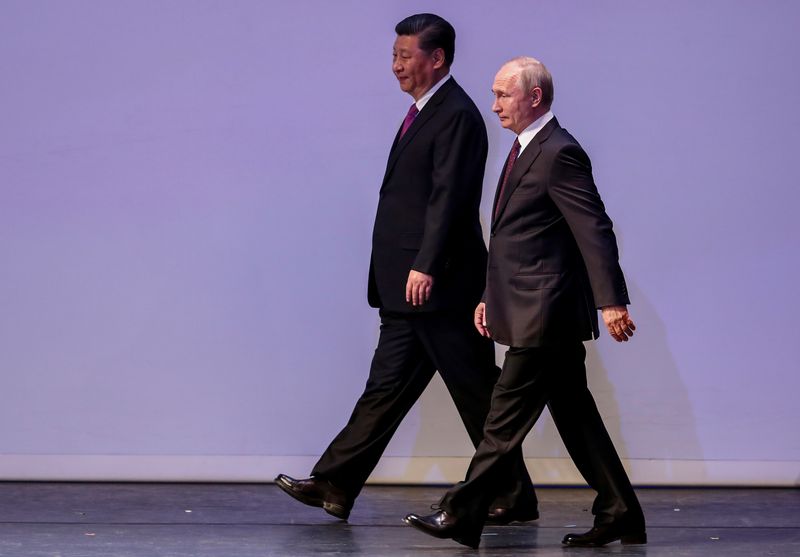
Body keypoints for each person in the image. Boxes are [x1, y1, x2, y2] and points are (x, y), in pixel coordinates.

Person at [274, 15, 537, 524]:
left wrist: (426, 265)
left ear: (436, 58)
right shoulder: (424, 112)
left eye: (405, 56)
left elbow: (451, 200)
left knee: (478, 393)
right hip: (410, 290)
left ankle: (513, 493)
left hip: (441, 286)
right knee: (386, 388)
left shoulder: (456, 114)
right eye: (393, 56)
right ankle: (335, 483)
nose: (396, 65)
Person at [403, 56, 646, 549]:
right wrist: (490, 296)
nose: (493, 105)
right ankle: (621, 511)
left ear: (534, 97)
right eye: (493, 95)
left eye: (502, 95)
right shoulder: (523, 150)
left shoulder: (559, 152)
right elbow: (517, 238)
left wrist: (611, 301)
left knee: (502, 418)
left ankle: (462, 512)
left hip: (546, 313)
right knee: (577, 417)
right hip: (528, 306)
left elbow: (594, 230)